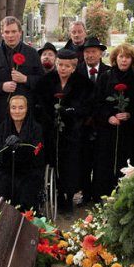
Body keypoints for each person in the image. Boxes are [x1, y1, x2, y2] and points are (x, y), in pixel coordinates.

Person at [35, 48, 95, 214]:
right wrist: (50, 117)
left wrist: (71, 113)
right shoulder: (46, 81)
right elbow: (39, 104)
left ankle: (69, 197)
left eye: (67, 66)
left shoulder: (83, 83)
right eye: (60, 64)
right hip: (51, 131)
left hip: (74, 132)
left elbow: (88, 107)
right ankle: (57, 195)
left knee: (71, 165)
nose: (62, 68)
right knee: (53, 161)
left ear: (74, 67)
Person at [0, 16, 43, 146]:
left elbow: (42, 81)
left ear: (20, 33)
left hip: (25, 113)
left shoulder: (31, 53)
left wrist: (26, 79)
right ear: (2, 33)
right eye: (7, 32)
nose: (10, 36)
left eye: (14, 32)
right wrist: (0, 86)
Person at [92, 43, 134, 200]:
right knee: (104, 163)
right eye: (121, 57)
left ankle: (124, 196)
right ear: (115, 58)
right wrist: (109, 116)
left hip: (127, 130)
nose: (124, 60)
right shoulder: (105, 77)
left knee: (125, 161)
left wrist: (129, 114)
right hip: (107, 129)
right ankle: (102, 196)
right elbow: (97, 102)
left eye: (127, 57)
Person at [0, 95, 44, 211]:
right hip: (7, 169)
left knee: (27, 189)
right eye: (13, 108)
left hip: (28, 170)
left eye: (21, 108)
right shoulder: (3, 127)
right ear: (9, 109)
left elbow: (38, 152)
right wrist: (6, 146)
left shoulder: (36, 128)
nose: (17, 111)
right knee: (2, 186)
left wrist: (21, 145)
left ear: (27, 109)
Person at [76, 36, 111, 204]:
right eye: (87, 52)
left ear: (100, 53)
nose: (90, 55)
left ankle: (99, 194)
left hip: (102, 124)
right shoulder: (77, 72)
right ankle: (86, 194)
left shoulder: (109, 72)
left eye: (93, 52)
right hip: (82, 125)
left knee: (101, 161)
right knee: (83, 160)